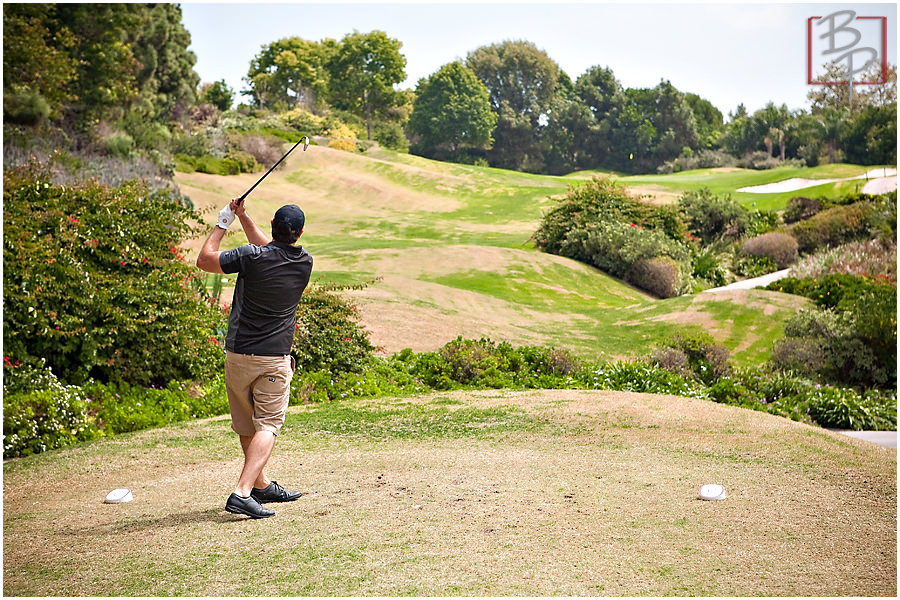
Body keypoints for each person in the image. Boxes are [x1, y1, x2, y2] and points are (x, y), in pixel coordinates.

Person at [197, 198, 313, 519]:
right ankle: (243, 492)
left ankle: (260, 485)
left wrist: (226, 222)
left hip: (237, 355)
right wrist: (241, 218)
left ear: (274, 227)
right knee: (269, 425)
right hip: (273, 358)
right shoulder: (304, 262)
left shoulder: (251, 257)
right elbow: (271, 249)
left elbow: (205, 260)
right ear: (299, 234)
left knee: (247, 424)